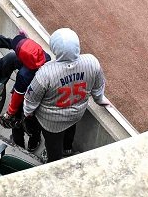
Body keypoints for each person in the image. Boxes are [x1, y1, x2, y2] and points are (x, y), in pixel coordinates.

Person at [23, 28, 106, 163]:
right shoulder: (92, 62)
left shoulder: (45, 73)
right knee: (70, 128)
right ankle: (67, 149)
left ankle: (54, 161)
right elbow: (98, 88)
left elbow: (30, 100)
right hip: (76, 113)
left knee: (53, 146)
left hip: (51, 122)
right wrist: (100, 99)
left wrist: (28, 113)